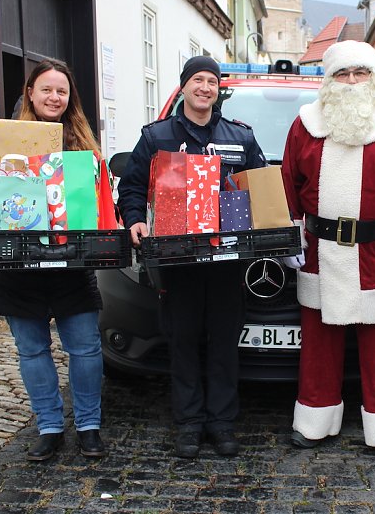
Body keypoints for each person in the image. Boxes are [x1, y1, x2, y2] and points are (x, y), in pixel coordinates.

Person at [0, 58, 107, 461]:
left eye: (62, 91)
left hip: (70, 261)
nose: (54, 97)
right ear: (30, 93)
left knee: (85, 347)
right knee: (31, 349)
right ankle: (49, 427)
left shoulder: (83, 143)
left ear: (70, 98)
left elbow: (101, 197)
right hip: (14, 265)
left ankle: (88, 425)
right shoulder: (4, 137)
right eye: (46, 89)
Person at [280, 40, 375, 463]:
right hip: (320, 249)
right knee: (319, 344)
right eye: (342, 74)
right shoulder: (306, 124)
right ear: (328, 81)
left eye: (359, 73)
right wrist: (290, 235)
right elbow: (288, 181)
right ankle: (314, 421)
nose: (351, 82)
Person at [117, 56, 266, 459]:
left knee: (223, 344)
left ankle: (220, 423)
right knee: (182, 342)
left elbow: (262, 188)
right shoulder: (157, 137)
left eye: (212, 81)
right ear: (183, 87)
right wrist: (134, 220)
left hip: (227, 261)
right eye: (197, 80)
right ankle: (188, 424)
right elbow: (130, 188)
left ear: (219, 90)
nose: (205, 87)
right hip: (177, 260)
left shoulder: (242, 138)